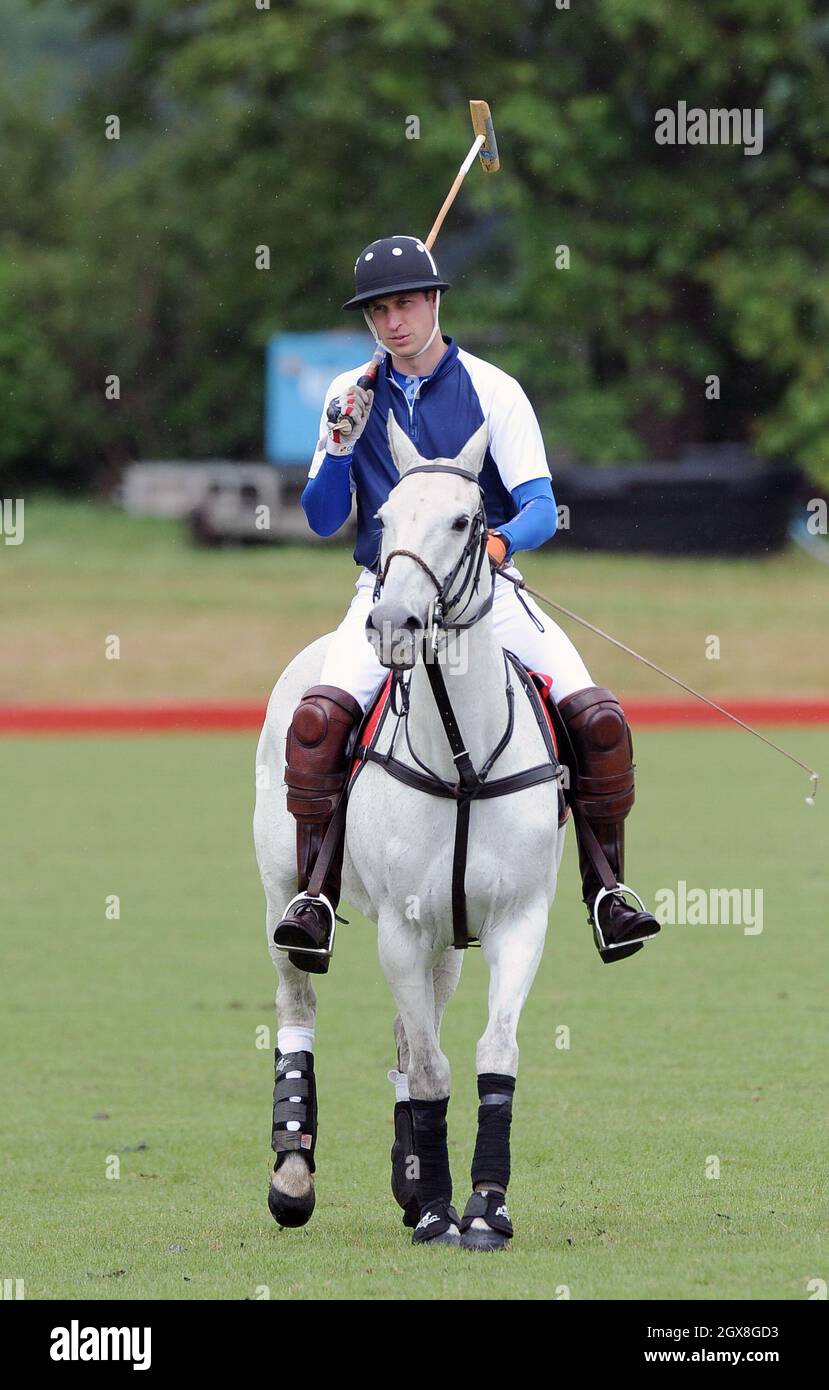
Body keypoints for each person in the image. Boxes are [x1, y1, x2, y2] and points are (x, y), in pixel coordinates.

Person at [274, 234, 660, 973]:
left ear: (435, 302)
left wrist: (491, 551)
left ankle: (606, 890)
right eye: (378, 311)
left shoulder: (493, 389)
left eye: (406, 304)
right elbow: (323, 518)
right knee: (318, 723)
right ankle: (316, 895)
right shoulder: (348, 397)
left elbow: (541, 509)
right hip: (387, 596)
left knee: (599, 719)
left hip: (487, 595)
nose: (393, 322)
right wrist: (338, 442)